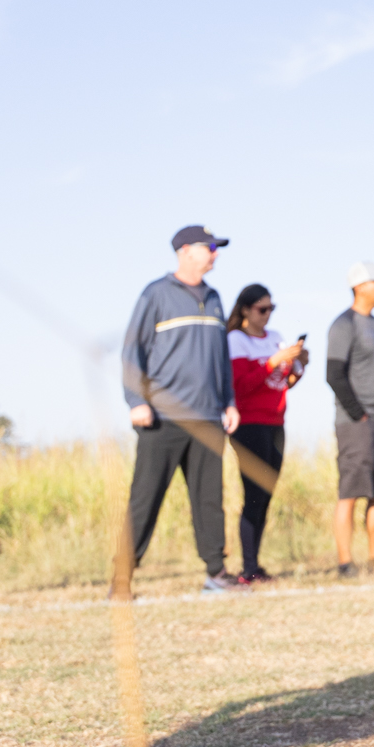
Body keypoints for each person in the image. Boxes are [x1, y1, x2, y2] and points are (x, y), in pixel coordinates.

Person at [119, 225, 242, 597]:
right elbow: (132, 352)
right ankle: (121, 578)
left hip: (208, 417)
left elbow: (221, 358)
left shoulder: (216, 298)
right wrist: (135, 401)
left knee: (209, 500)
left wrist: (229, 401)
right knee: (145, 498)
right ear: (185, 250)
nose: (215, 254)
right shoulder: (156, 294)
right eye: (210, 248)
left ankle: (216, 574)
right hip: (161, 418)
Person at [226, 284, 306, 581]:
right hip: (247, 424)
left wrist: (298, 366)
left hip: (275, 422)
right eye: (262, 309)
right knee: (254, 494)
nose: (268, 315)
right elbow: (241, 386)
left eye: (272, 308)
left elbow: (283, 383)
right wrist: (273, 361)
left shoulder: (275, 338)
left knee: (267, 493)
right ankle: (247, 567)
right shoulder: (236, 340)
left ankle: (254, 565)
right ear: (245, 310)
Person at [327, 261, 374, 575]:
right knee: (351, 491)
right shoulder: (343, 325)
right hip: (356, 424)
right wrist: (359, 415)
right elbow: (334, 375)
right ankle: (345, 561)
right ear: (359, 286)